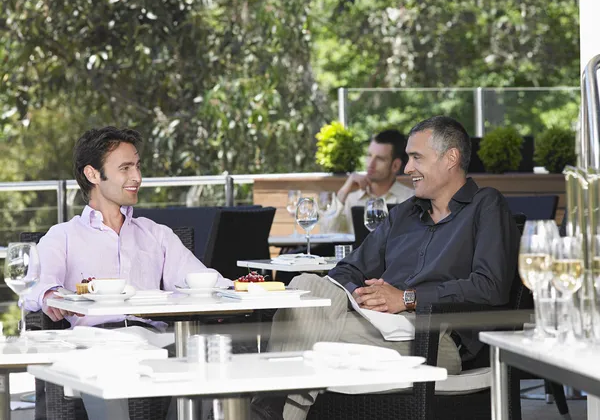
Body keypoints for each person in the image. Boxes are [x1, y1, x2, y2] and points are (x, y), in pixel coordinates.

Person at [253, 116, 519, 420]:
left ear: (451, 158)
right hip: (376, 322)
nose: (406, 168)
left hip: (435, 337)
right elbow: (346, 270)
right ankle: (277, 410)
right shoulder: (403, 214)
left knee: (303, 327)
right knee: (306, 284)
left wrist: (406, 298)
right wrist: (365, 295)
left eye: (416, 157)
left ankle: (273, 409)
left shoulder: (486, 206)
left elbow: (490, 286)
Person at [24, 126, 231, 420]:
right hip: (95, 342)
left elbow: (198, 279)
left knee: (210, 366)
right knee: (105, 369)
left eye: (137, 166)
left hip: (155, 340)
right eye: (125, 168)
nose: (137, 177)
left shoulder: (156, 234)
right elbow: (34, 285)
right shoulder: (64, 236)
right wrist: (49, 295)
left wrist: (237, 290)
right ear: (93, 174)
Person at [321, 129, 414, 234]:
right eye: (369, 155)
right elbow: (326, 233)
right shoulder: (351, 198)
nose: (371, 163)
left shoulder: (410, 200)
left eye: (380, 159)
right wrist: (343, 192)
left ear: (395, 166)